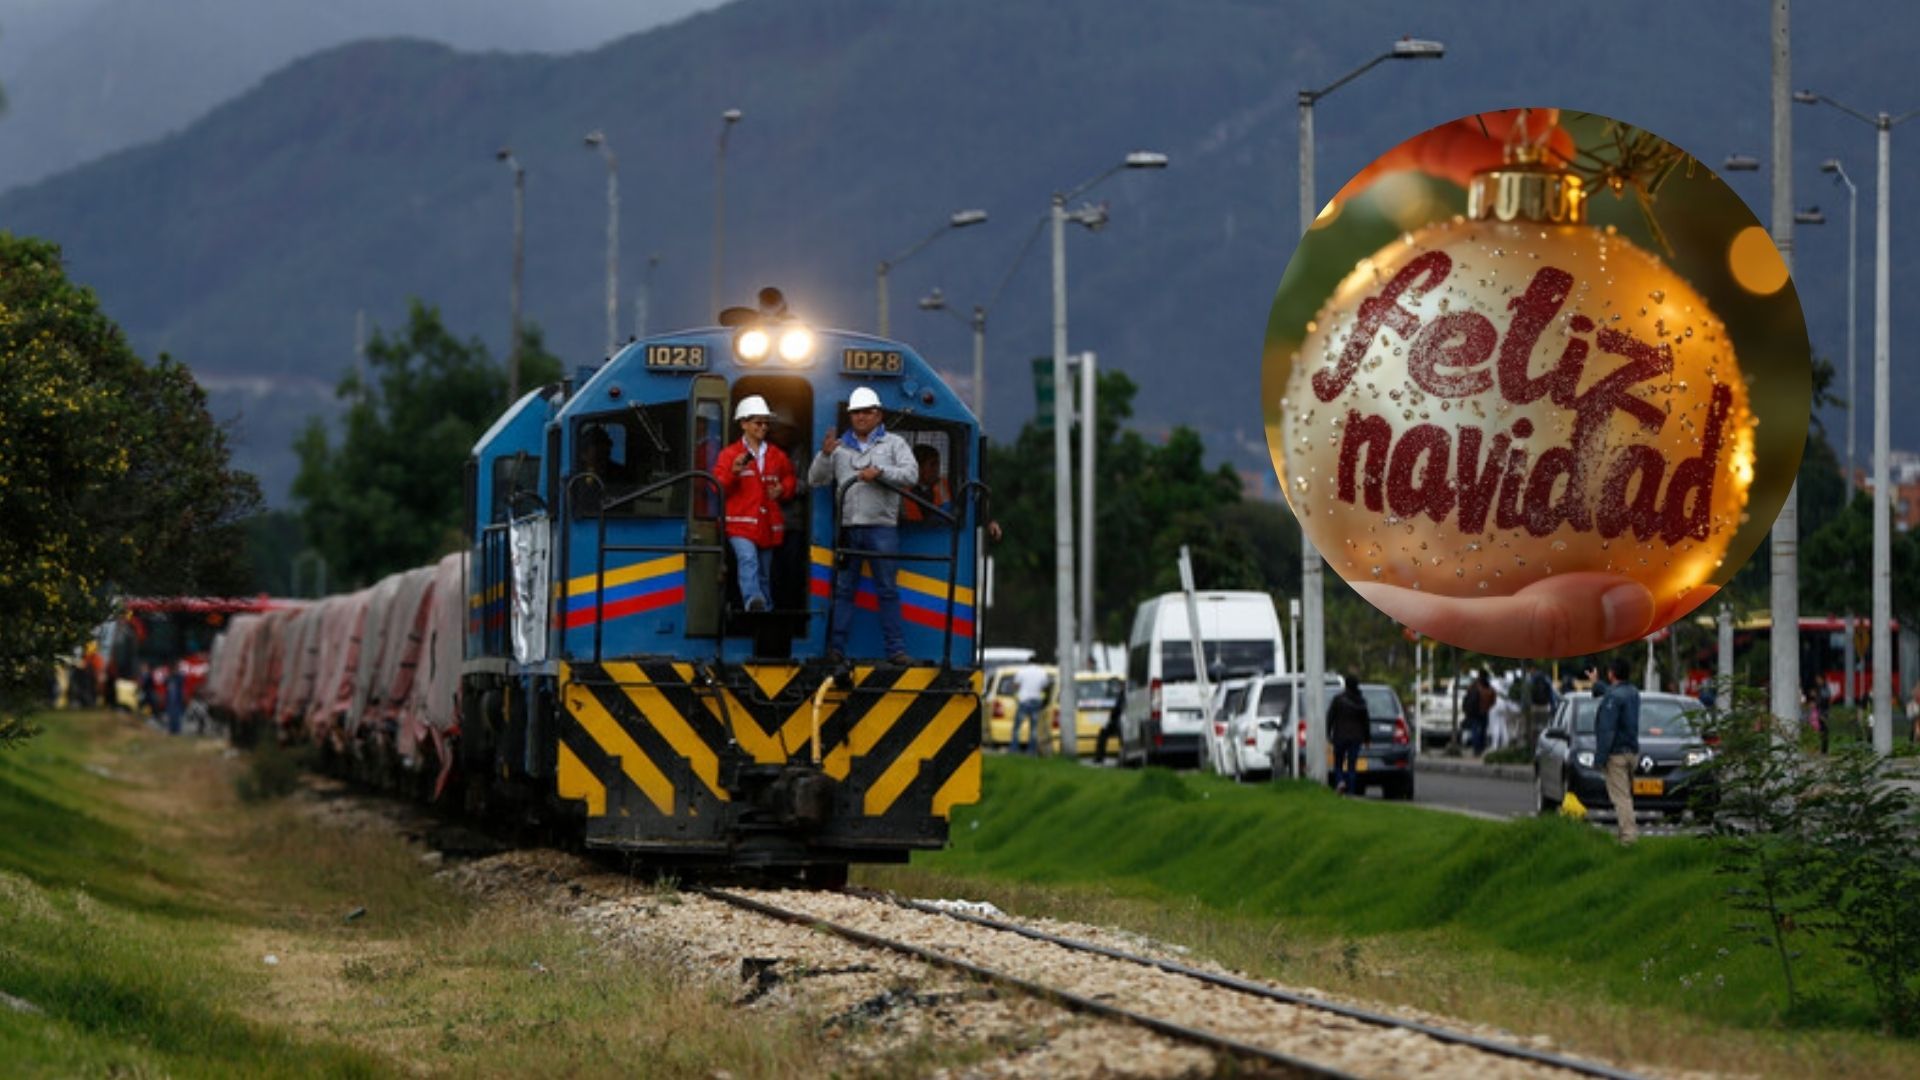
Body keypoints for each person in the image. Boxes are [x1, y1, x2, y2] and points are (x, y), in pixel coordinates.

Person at [810, 386, 918, 664]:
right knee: (844, 589)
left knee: (887, 589)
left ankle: (896, 650)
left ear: (878, 414)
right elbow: (815, 479)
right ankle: (836, 649)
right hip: (848, 528)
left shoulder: (895, 444)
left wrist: (881, 473)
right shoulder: (838, 448)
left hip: (882, 527)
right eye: (856, 412)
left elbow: (911, 474)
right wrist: (824, 455)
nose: (860, 417)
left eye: (866, 412)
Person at [713, 395, 796, 613]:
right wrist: (734, 473)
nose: (764, 427)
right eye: (758, 422)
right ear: (744, 424)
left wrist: (782, 489)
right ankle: (753, 601)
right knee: (748, 559)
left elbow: (790, 479)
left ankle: (765, 610)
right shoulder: (729, 455)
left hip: (767, 524)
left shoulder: (777, 455)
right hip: (739, 524)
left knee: (764, 572)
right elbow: (716, 488)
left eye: (766, 423)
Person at [1593, 657, 1642, 846]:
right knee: (1627, 795)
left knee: (1621, 798)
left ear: (1611, 673)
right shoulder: (1633, 693)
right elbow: (1612, 693)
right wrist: (1597, 684)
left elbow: (1607, 730)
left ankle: (1628, 838)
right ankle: (1624, 834)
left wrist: (1600, 757)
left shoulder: (1613, 698)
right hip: (1632, 751)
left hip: (1617, 754)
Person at [1326, 674, 1370, 796]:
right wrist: (1367, 739)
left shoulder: (1338, 699)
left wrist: (1328, 733)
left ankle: (1340, 781)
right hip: (1356, 737)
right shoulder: (1361, 701)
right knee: (1352, 765)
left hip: (1340, 736)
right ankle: (1351, 790)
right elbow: (1365, 722)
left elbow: (1330, 717)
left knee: (1338, 763)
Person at [1008, 661, 1050, 756]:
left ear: (1028, 662)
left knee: (1017, 727)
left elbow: (1015, 685)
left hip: (1024, 700)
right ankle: (1032, 751)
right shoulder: (1042, 672)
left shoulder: (1022, 671)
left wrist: (1015, 695)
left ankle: (1014, 749)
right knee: (1034, 728)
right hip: (1036, 700)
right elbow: (1046, 686)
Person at [1094, 683, 1126, 764]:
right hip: (1120, 721)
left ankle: (1099, 757)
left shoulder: (1123, 695)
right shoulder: (1124, 694)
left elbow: (1117, 709)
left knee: (1103, 733)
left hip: (1119, 722)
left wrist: (1111, 718)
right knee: (1104, 732)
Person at [1460, 670, 1489, 755]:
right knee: (1482, 730)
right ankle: (1480, 747)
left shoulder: (1473, 686)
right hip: (1483, 711)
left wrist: (1466, 709)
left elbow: (1466, 698)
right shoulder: (1487, 685)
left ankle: (1477, 748)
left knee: (1475, 730)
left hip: (1474, 711)